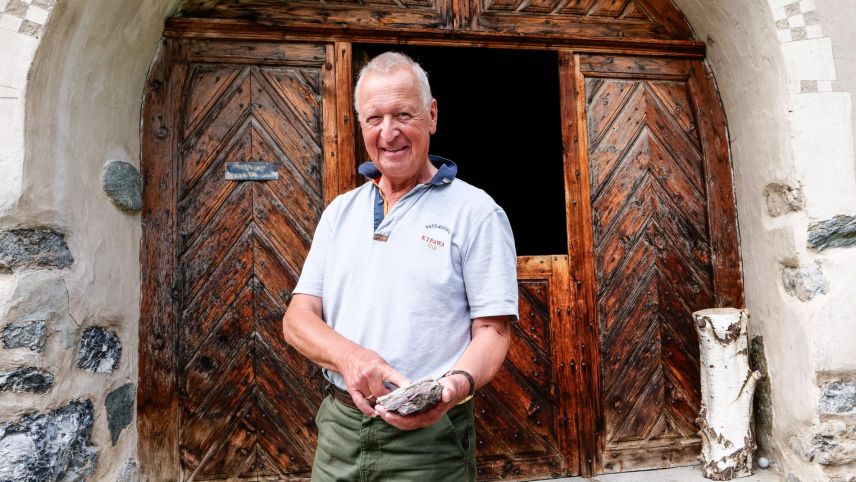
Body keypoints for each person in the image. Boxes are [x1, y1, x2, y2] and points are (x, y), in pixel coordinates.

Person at [282, 51, 518, 481]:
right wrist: (350, 358)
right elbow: (297, 318)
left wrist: (455, 386)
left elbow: (493, 331)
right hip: (340, 432)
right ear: (361, 126)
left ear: (431, 116)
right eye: (374, 119)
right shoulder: (340, 212)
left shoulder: (476, 211)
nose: (388, 133)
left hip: (429, 440)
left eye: (403, 115)